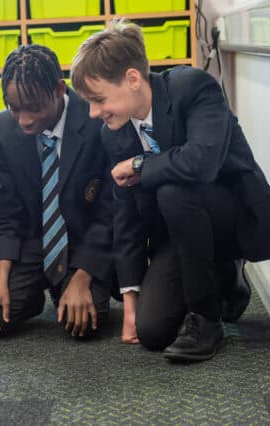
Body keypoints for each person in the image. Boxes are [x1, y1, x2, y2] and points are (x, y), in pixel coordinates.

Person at [70, 21, 268, 361]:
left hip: (236, 216)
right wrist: (130, 299)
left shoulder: (193, 87)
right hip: (180, 232)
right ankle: (224, 278)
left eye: (98, 99)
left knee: (173, 191)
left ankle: (207, 319)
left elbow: (200, 163)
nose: (93, 112)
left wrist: (138, 165)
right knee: (153, 331)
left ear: (132, 79)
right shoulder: (113, 132)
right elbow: (126, 215)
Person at [0, 44, 114, 338]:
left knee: (88, 321)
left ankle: (66, 283)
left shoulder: (97, 121)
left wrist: (83, 276)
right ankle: (36, 293)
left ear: (59, 89)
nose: (24, 120)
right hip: (32, 242)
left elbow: (109, 212)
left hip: (81, 242)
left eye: (34, 108)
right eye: (14, 108)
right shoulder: (0, 129)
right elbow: (6, 211)